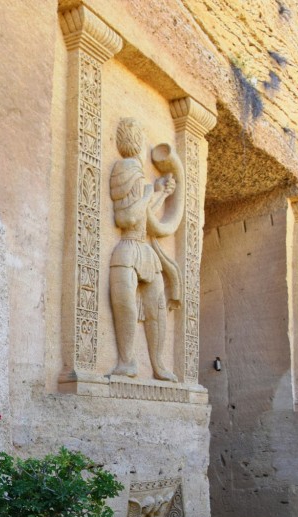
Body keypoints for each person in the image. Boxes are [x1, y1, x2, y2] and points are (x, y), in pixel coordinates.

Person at [108, 118, 185, 382]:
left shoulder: (139, 174)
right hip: (127, 248)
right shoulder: (125, 169)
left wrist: (160, 194)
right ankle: (127, 362)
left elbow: (147, 220)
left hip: (144, 250)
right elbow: (126, 219)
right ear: (136, 141)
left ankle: (158, 365)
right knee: (127, 308)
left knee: (156, 310)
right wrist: (149, 194)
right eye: (141, 137)